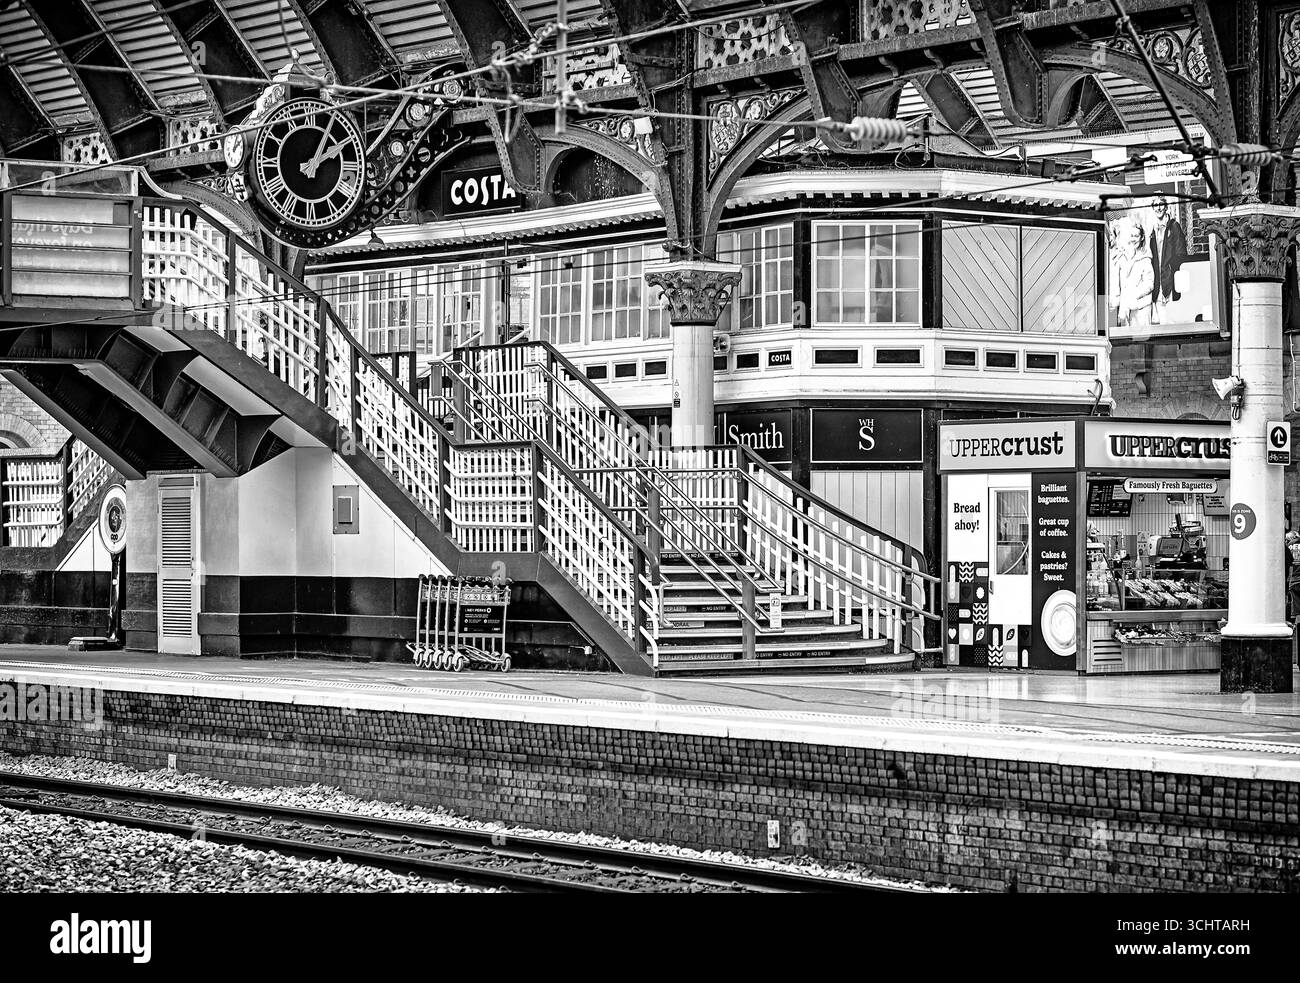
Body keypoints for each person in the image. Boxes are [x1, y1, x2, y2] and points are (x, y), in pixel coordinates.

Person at [1149, 194, 1188, 322]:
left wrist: (1172, 268)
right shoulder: (1152, 230)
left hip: (1171, 279)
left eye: (1161, 205)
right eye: (1155, 205)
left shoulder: (1174, 226)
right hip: (1157, 280)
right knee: (1161, 319)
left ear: (1166, 207)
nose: (1158, 208)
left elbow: (1181, 254)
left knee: (1173, 318)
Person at [1115, 219, 1155, 328]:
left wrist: (1133, 295)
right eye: (1131, 235)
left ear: (1141, 238)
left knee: (1142, 340)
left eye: (1136, 236)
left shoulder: (1145, 258)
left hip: (1141, 308)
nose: (1133, 239)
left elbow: (1149, 284)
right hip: (1126, 309)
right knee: (1127, 342)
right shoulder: (1122, 258)